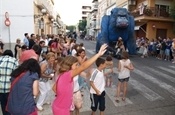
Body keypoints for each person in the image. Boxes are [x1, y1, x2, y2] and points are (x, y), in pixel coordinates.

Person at [52, 44, 107, 115]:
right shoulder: (67, 75)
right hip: (62, 109)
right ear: (69, 65)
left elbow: (54, 88)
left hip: (58, 106)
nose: (77, 66)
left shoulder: (62, 74)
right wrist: (98, 54)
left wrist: (64, 95)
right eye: (76, 65)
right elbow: (83, 67)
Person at [0, 50, 18, 115]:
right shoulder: (14, 60)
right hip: (10, 86)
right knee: (10, 105)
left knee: (3, 104)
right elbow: (17, 73)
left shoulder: (0, 59)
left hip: (1, 87)